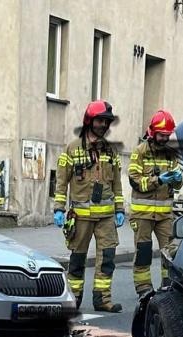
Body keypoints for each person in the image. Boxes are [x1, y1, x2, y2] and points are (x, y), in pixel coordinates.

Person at [53, 100, 125, 313]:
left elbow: (117, 184)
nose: (104, 125)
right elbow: (61, 181)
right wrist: (58, 208)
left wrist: (120, 210)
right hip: (81, 217)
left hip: (106, 218)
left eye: (106, 121)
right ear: (89, 121)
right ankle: (73, 300)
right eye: (100, 120)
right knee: (77, 260)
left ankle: (102, 299)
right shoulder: (72, 149)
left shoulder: (111, 151)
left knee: (107, 259)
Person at [128, 110, 183, 297]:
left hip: (164, 215)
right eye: (161, 135)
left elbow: (178, 184)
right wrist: (158, 180)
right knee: (143, 252)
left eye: (167, 135)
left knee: (170, 252)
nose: (164, 139)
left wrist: (177, 179)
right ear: (152, 133)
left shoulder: (171, 153)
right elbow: (135, 181)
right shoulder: (140, 152)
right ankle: (144, 289)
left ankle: (168, 286)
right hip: (142, 214)